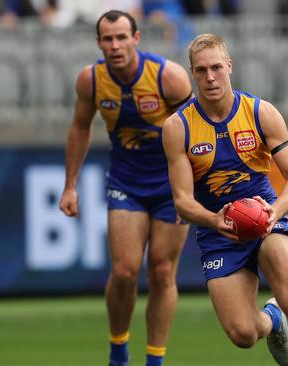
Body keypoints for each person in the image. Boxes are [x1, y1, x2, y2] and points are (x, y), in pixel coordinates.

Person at [162, 33, 288, 366]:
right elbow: (182, 202)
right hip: (218, 235)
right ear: (192, 73)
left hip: (267, 220)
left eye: (217, 68)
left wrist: (273, 212)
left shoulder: (260, 112)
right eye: (202, 70)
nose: (210, 77)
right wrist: (214, 220)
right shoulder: (178, 127)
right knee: (244, 335)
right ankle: (271, 319)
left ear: (230, 66)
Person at [58, 9, 192, 366]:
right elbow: (79, 129)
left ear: (136, 38)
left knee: (162, 271)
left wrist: (201, 187)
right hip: (126, 184)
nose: (115, 45)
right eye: (107, 39)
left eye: (121, 37)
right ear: (98, 43)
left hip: (171, 187)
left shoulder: (169, 78)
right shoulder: (91, 81)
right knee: (124, 270)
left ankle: (155, 359)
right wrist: (70, 186)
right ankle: (118, 350)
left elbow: (197, 131)